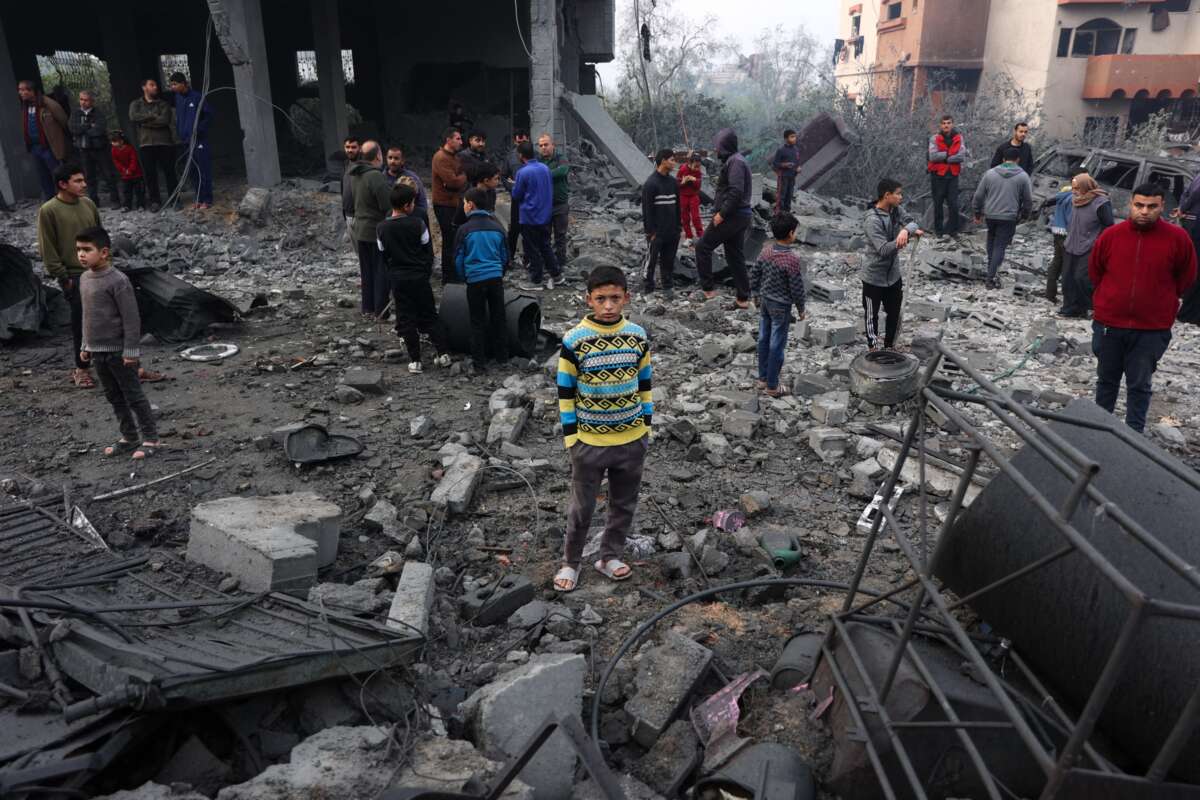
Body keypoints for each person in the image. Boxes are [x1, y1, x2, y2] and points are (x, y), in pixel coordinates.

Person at [553, 265, 652, 593]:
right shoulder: (574, 340)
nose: (608, 305)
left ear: (627, 297)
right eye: (601, 299)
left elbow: (645, 384)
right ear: (588, 300)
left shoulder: (637, 336)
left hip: (631, 438)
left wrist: (645, 427)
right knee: (582, 505)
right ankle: (571, 561)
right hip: (589, 442)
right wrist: (573, 439)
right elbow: (566, 393)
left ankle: (609, 555)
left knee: (624, 502)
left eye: (615, 298)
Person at [1089, 184, 1197, 433]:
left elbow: (1186, 277)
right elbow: (1096, 272)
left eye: (1152, 206)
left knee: (1139, 384)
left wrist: (1161, 299)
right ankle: (1097, 431)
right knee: (1106, 381)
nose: (1144, 211)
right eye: (1139, 205)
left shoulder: (1178, 239)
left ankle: (1133, 436)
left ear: (1162, 207)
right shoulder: (1111, 235)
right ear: (1131, 204)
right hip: (1110, 324)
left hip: (1151, 328)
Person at [76, 226, 161, 460]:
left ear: (104, 252)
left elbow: (131, 319)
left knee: (133, 395)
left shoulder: (118, 281)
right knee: (113, 395)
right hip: (97, 352)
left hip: (119, 353)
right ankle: (129, 436)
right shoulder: (84, 278)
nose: (81, 254)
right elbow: (87, 315)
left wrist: (131, 350)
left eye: (86, 249)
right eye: (78, 250)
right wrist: (85, 345)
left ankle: (151, 438)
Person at [376, 182, 451, 374]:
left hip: (399, 279)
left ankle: (416, 361)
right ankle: (443, 354)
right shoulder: (417, 223)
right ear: (408, 205)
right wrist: (424, 270)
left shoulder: (382, 228)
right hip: (419, 277)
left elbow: (383, 255)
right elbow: (428, 251)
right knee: (429, 314)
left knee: (406, 318)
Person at [37, 163, 101, 388]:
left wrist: (106, 264)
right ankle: (81, 369)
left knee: (112, 320)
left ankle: (123, 365)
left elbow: (100, 236)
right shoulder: (49, 210)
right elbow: (48, 248)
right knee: (82, 325)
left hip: (99, 271)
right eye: (78, 181)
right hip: (75, 275)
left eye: (83, 180)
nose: (84, 184)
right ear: (63, 184)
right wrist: (63, 278)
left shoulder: (88, 204)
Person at [697, 128, 753, 308]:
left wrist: (722, 214)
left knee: (703, 247)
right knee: (735, 256)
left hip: (732, 216)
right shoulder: (735, 160)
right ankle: (743, 299)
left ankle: (708, 291)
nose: (716, 151)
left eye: (718, 147)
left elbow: (735, 191)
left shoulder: (735, 162)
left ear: (725, 146)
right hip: (740, 216)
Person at [454, 187, 510, 369]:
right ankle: (502, 358)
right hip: (495, 278)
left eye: (463, 203)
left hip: (475, 280)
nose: (463, 206)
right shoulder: (497, 228)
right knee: (498, 318)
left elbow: (458, 259)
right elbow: (505, 257)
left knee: (477, 321)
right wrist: (499, 273)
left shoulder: (464, 230)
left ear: (470, 205)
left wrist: (465, 277)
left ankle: (479, 363)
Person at [863, 178, 922, 350]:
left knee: (894, 312)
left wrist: (906, 230)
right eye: (898, 194)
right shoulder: (872, 220)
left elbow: (912, 222)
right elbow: (882, 249)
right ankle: (872, 347)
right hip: (873, 276)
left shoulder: (895, 209)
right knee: (871, 315)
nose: (901, 197)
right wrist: (901, 240)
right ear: (887, 195)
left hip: (893, 275)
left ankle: (889, 346)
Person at [752, 213, 806, 397]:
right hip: (781, 306)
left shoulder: (766, 251)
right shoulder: (792, 259)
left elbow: (755, 273)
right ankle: (773, 386)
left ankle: (762, 379)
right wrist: (801, 309)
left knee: (763, 339)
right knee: (777, 344)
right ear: (791, 233)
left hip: (765, 302)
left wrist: (755, 294)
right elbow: (797, 287)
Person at [972, 147, 1032, 289]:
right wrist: (1025, 215)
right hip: (1009, 217)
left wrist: (977, 213)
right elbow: (1028, 200)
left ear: (1003, 159)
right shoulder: (1023, 176)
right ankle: (990, 277)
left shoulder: (990, 174)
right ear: (1018, 160)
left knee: (991, 242)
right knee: (1000, 246)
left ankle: (991, 269)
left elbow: (978, 196)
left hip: (991, 215)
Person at [1059, 173, 1114, 318]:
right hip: (1071, 243)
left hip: (1089, 246)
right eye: (1073, 187)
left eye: (1077, 188)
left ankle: (1089, 306)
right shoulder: (1076, 199)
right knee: (1067, 278)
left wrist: (1097, 242)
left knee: (1082, 277)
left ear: (1085, 186)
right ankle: (1071, 307)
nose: (1074, 191)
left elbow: (1108, 225)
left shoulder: (1100, 202)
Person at [349, 140, 393, 316]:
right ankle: (381, 309)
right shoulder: (375, 176)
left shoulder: (354, 174)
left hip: (361, 230)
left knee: (367, 272)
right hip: (375, 230)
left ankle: (368, 307)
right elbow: (387, 204)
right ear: (378, 155)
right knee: (380, 271)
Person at [512, 140, 561, 290]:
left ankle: (536, 280)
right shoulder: (545, 168)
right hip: (545, 215)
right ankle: (557, 275)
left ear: (521, 155)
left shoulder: (523, 172)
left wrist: (513, 185)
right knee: (545, 246)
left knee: (532, 249)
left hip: (529, 216)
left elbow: (516, 195)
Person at [128, 78, 177, 212]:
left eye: (155, 85)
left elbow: (164, 120)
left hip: (164, 142)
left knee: (170, 172)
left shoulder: (163, 104)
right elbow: (133, 117)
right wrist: (153, 117)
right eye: (152, 85)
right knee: (150, 174)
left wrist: (144, 121)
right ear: (144, 87)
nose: (155, 87)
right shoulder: (136, 104)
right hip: (145, 144)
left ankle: (175, 199)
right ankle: (155, 201)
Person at [17, 80, 69, 200]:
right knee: (43, 176)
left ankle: (65, 198)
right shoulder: (25, 106)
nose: (21, 92)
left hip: (49, 147)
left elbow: (63, 120)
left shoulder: (47, 103)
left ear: (32, 91)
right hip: (35, 147)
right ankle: (50, 200)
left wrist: (59, 140)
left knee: (57, 174)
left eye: (23, 90)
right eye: (19, 90)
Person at [168, 72, 213, 209]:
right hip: (186, 141)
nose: (172, 87)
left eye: (175, 84)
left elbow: (209, 115)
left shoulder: (197, 97)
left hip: (199, 141)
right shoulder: (177, 98)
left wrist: (199, 129)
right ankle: (198, 198)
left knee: (203, 169)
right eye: (171, 85)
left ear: (183, 83)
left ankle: (207, 200)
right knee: (193, 170)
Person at [68, 91, 120, 208]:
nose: (83, 102)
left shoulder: (98, 113)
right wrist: (88, 126)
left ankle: (115, 200)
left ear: (92, 101)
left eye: (86, 100)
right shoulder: (76, 113)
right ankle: (94, 201)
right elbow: (73, 128)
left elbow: (99, 130)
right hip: (84, 149)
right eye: (81, 99)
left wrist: (83, 130)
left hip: (100, 148)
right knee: (89, 176)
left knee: (108, 174)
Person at [640, 148, 681, 296]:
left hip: (672, 231)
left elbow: (677, 206)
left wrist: (678, 227)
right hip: (656, 233)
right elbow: (647, 210)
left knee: (668, 260)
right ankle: (648, 287)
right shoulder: (651, 184)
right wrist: (650, 232)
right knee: (651, 260)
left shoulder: (673, 182)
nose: (674, 162)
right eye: (672, 159)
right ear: (663, 160)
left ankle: (667, 287)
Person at [1044, 169, 1086, 303]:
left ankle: (1050, 293)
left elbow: (1049, 202)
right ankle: (1069, 297)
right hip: (1068, 234)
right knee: (1069, 265)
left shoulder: (1064, 193)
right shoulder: (1077, 197)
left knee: (1057, 261)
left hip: (1057, 231)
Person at [432, 128, 467, 284]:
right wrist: (463, 177)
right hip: (444, 204)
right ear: (448, 140)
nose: (461, 142)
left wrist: (457, 179)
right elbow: (453, 182)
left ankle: (455, 274)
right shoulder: (441, 158)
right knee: (449, 240)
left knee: (455, 239)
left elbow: (454, 180)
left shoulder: (454, 157)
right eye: (458, 139)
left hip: (454, 203)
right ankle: (448, 277)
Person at [927, 115, 967, 238]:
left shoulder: (959, 138)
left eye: (948, 123)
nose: (946, 125)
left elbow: (961, 156)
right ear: (940, 125)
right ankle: (938, 231)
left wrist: (944, 157)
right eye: (944, 123)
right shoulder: (935, 138)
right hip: (938, 175)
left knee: (953, 204)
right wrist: (950, 155)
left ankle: (952, 231)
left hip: (953, 175)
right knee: (938, 204)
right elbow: (933, 156)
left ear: (952, 124)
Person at [537, 133, 570, 266]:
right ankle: (548, 263)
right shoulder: (538, 161)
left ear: (553, 145)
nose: (543, 148)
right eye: (541, 145)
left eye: (546, 144)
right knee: (544, 236)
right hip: (544, 206)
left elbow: (562, 171)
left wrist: (542, 175)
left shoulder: (561, 158)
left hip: (560, 204)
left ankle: (561, 263)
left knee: (560, 236)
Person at [502, 129, 531, 270]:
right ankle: (509, 258)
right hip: (517, 200)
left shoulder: (534, 156)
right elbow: (503, 176)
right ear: (515, 141)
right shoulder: (510, 157)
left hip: (531, 200)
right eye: (519, 142)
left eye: (523, 141)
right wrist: (511, 188)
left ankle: (528, 259)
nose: (521, 144)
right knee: (514, 229)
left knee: (529, 230)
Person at [382, 145, 428, 221]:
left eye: (396, 158)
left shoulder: (412, 178)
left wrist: (418, 219)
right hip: (388, 222)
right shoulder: (381, 178)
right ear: (386, 159)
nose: (392, 161)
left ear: (402, 160)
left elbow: (421, 202)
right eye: (390, 158)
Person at [453, 162, 499, 229]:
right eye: (496, 179)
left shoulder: (491, 192)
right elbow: (458, 222)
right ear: (486, 181)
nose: (498, 181)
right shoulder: (468, 196)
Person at [109, 130, 146, 212]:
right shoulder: (113, 150)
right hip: (125, 175)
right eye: (112, 142)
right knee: (126, 191)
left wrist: (130, 170)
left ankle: (140, 205)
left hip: (136, 174)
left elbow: (134, 160)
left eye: (115, 141)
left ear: (121, 141)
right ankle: (127, 206)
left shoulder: (130, 148)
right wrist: (123, 170)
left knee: (139, 191)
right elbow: (116, 162)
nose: (113, 143)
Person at [770, 128, 801, 214]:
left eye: (795, 137)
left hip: (792, 176)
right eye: (792, 137)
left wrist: (798, 168)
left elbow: (797, 162)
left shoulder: (796, 150)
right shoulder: (781, 150)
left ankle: (787, 214)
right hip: (783, 176)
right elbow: (775, 164)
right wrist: (785, 165)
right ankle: (778, 214)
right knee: (781, 196)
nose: (794, 138)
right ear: (786, 138)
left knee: (789, 195)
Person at [677, 152, 704, 245]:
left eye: (699, 166)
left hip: (694, 196)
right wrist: (683, 182)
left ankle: (701, 235)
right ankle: (689, 237)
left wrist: (695, 180)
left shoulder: (698, 172)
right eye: (695, 166)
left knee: (696, 217)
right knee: (685, 217)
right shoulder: (683, 169)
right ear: (690, 163)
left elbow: (699, 186)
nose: (697, 168)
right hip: (683, 196)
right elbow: (677, 183)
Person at [341, 136, 360, 232]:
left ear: (359, 148)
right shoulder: (345, 165)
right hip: (348, 215)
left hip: (360, 217)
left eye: (353, 147)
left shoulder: (363, 166)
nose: (350, 150)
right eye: (347, 147)